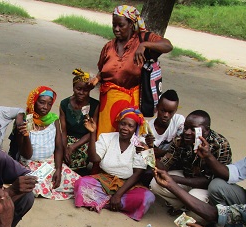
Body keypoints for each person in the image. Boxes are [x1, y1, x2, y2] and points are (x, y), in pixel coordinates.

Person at [92, 5, 173, 135]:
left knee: (126, 136)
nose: (116, 29)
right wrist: (95, 80)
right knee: (105, 136)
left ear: (131, 24)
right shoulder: (108, 46)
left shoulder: (142, 38)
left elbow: (168, 45)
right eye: (114, 25)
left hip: (130, 104)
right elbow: (102, 72)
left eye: (121, 25)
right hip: (107, 103)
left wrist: (144, 45)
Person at [74, 108, 155, 221]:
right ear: (118, 124)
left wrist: (118, 195)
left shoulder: (139, 144)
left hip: (127, 184)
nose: (125, 128)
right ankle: (116, 204)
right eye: (123, 124)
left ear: (135, 128)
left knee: (148, 197)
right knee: (81, 183)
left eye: (130, 126)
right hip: (104, 180)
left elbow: (137, 173)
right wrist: (92, 133)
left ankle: (103, 203)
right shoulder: (106, 137)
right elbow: (94, 158)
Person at [150, 110, 231, 215]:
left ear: (206, 130)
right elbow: (164, 165)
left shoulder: (220, 145)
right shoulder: (180, 139)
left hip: (208, 188)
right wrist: (149, 153)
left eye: (193, 129)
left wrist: (173, 180)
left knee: (195, 198)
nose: (187, 132)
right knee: (155, 183)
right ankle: (181, 207)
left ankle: (192, 209)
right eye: (186, 127)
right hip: (187, 178)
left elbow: (211, 181)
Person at [15, 86, 80, 200]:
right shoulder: (24, 122)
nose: (45, 107)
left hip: (50, 163)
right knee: (32, 187)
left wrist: (58, 170)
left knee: (79, 183)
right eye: (41, 102)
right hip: (30, 164)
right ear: (34, 101)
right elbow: (27, 155)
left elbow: (59, 148)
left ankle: (50, 185)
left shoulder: (53, 120)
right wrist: (25, 135)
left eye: (49, 104)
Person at [138, 89, 184, 186]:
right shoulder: (147, 129)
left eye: (170, 112)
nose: (166, 115)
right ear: (157, 107)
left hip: (174, 163)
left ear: (175, 111)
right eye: (163, 111)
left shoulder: (179, 121)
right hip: (156, 166)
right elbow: (148, 160)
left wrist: (163, 152)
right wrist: (150, 149)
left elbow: (182, 148)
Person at [59, 69, 100, 174]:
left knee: (78, 159)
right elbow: (63, 130)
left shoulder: (95, 105)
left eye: (85, 90)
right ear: (73, 88)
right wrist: (65, 148)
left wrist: (73, 146)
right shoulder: (64, 104)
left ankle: (77, 175)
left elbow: (92, 131)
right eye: (78, 89)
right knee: (59, 154)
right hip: (67, 139)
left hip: (84, 140)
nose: (81, 93)